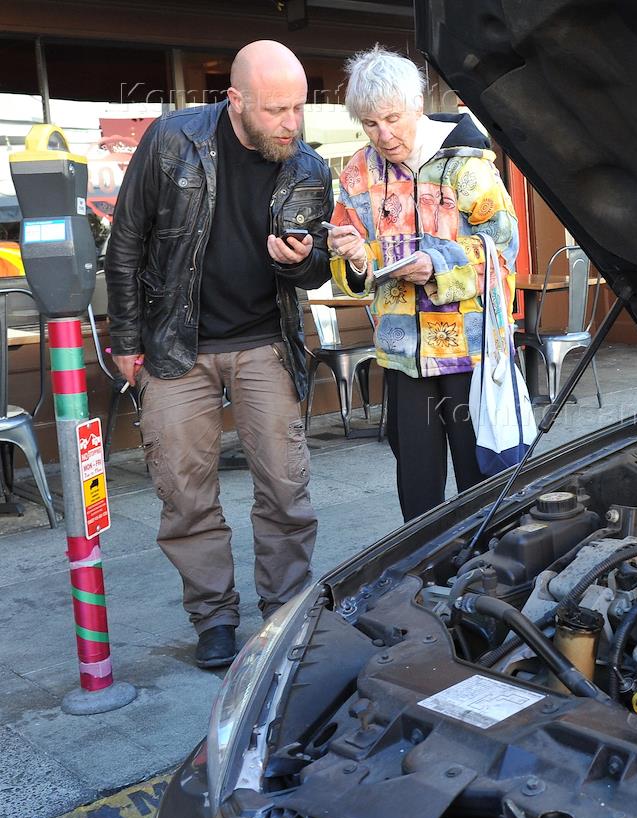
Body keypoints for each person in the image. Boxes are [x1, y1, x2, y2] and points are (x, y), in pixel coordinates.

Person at [106, 40, 333, 668]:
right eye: (276, 110)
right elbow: (125, 241)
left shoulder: (309, 167)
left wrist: (302, 261)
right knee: (183, 493)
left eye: (299, 108)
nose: (291, 123)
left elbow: (318, 267)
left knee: (285, 488)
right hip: (175, 344)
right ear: (236, 100)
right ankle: (213, 618)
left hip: (266, 341)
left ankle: (284, 612)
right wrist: (125, 339)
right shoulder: (171, 141)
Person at [328, 45, 519, 519]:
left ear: (417, 105)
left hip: (470, 354)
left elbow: (503, 252)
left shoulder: (467, 165)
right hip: (402, 354)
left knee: (481, 482)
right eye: (370, 124)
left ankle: (486, 560)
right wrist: (355, 258)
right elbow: (349, 271)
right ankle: (426, 563)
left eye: (393, 118)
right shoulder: (358, 172)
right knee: (416, 485)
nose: (384, 135)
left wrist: (437, 267)